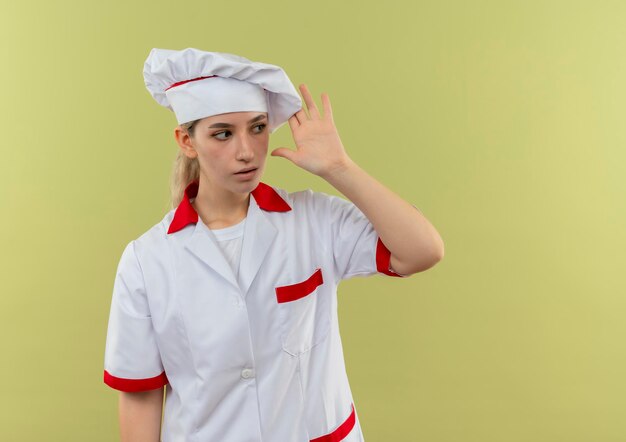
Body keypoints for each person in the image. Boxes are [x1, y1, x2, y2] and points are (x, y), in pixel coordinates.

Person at [103, 47, 444, 442]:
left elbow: (423, 250)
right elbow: (141, 395)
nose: (247, 151)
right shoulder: (146, 261)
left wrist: (339, 168)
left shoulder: (313, 220)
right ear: (186, 141)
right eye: (223, 133)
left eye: (258, 127)